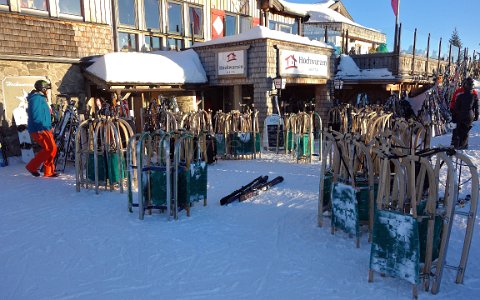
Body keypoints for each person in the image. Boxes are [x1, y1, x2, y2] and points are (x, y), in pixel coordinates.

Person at [25, 80, 58, 177]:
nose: (48, 91)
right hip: (39, 128)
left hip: (45, 127)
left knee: (52, 149)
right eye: (47, 89)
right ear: (43, 89)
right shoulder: (36, 99)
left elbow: (45, 114)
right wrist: (40, 128)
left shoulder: (41, 98)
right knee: (49, 148)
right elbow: (36, 115)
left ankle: (49, 171)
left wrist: (49, 127)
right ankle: (32, 166)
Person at [451, 77, 479, 149]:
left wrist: (453, 112)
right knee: (465, 130)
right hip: (469, 115)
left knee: (458, 130)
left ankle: (457, 144)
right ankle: (462, 144)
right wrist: (476, 115)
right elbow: (477, 106)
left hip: (460, 114)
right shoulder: (473, 93)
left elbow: (454, 102)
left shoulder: (460, 93)